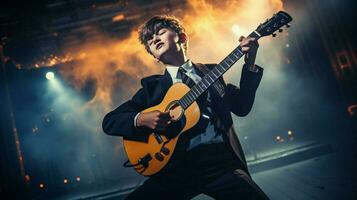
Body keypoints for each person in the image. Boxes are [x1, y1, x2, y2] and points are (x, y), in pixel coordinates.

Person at [102, 15, 269, 200]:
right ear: (154, 56)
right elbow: (109, 121)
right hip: (174, 169)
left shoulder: (212, 73)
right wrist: (141, 118)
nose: (155, 38)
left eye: (160, 32)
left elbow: (242, 107)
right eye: (150, 40)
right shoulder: (151, 88)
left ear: (182, 38)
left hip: (219, 163)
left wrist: (250, 61)